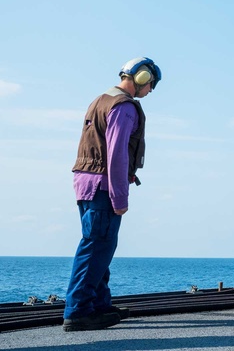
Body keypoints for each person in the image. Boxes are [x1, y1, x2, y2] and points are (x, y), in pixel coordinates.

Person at [63, 57, 162, 332]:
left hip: (84, 182)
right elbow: (117, 155)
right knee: (96, 246)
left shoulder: (100, 100)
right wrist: (120, 198)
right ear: (141, 77)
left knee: (100, 246)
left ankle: (97, 304)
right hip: (103, 187)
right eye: (151, 83)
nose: (151, 90)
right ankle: (79, 311)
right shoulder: (124, 107)